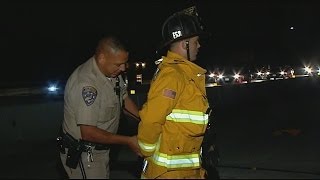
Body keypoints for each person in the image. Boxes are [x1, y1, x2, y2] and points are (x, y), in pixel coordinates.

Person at [137, 11, 219, 179]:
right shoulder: (172, 76)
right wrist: (145, 150)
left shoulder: (185, 74)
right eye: (196, 42)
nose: (199, 46)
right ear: (185, 44)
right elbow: (152, 119)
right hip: (169, 174)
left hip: (185, 171)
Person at [57, 34, 142, 179]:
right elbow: (88, 133)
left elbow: (123, 99)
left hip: (101, 151)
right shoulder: (86, 85)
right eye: (118, 64)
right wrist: (128, 141)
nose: (123, 68)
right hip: (85, 156)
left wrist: (145, 120)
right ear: (102, 58)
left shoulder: (113, 73)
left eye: (124, 63)